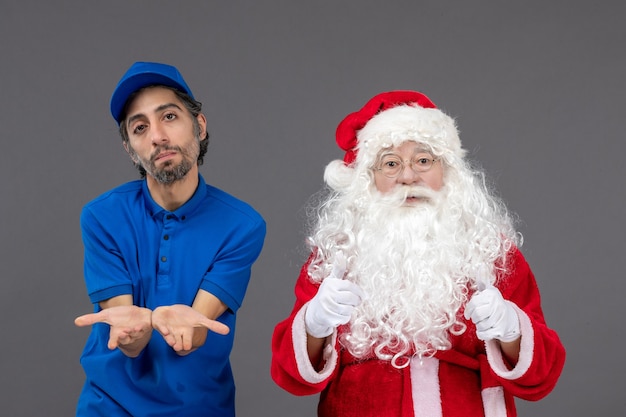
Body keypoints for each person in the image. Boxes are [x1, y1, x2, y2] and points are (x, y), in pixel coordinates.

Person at [271, 90, 565, 417]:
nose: (408, 177)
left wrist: (513, 330)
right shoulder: (337, 254)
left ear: (448, 170)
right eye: (391, 164)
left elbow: (544, 376)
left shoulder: (491, 251)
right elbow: (291, 376)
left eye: (423, 160)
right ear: (369, 178)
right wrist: (315, 323)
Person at [74, 61, 266, 417]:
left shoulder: (242, 225)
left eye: (169, 117)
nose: (157, 136)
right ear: (131, 149)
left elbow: (191, 336)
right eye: (140, 127)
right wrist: (137, 328)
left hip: (200, 406)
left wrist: (177, 323)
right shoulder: (102, 216)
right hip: (109, 406)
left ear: (200, 126)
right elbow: (128, 342)